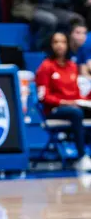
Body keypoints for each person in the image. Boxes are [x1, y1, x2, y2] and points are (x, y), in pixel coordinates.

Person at [36, 32, 91, 171]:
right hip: (54, 110)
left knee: (79, 110)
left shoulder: (72, 66)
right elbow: (43, 97)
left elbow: (77, 93)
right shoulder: (45, 67)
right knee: (76, 113)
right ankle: (81, 157)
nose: (60, 45)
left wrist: (85, 101)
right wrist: (64, 102)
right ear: (51, 45)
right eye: (56, 42)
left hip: (74, 107)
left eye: (63, 42)